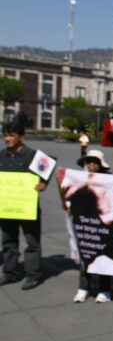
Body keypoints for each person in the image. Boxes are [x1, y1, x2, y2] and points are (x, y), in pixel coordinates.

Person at [0, 114, 47, 290]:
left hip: (28, 208)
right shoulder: (1, 156)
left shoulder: (34, 156)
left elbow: (46, 175)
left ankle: (33, 275)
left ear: (22, 137)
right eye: (5, 135)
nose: (7, 139)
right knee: (8, 241)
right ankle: (10, 272)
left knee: (32, 242)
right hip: (6, 208)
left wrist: (43, 184)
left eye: (11, 135)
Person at [72, 149, 113, 303]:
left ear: (101, 164)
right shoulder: (79, 179)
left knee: (105, 256)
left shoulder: (110, 179)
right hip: (85, 224)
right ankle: (83, 288)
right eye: (88, 162)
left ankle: (104, 290)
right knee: (86, 256)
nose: (91, 165)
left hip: (103, 224)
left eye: (94, 162)